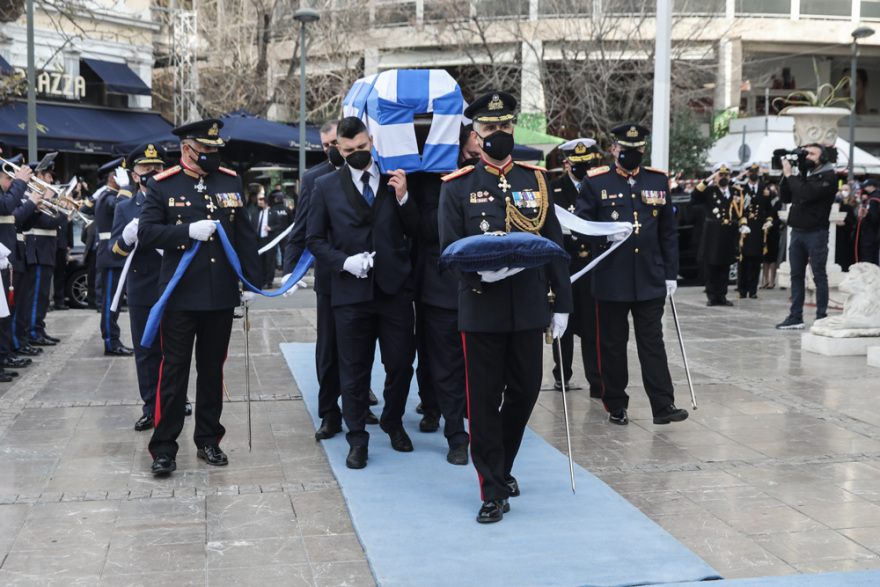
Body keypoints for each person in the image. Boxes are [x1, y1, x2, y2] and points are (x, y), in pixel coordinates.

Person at [439, 91, 572, 523]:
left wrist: (562, 304)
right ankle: (492, 488)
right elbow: (448, 252)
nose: (499, 134)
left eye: (505, 126)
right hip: (481, 308)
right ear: (474, 135)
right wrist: (479, 277)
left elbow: (555, 246)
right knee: (482, 401)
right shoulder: (457, 187)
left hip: (530, 306)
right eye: (490, 128)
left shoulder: (536, 179)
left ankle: (503, 465)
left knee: (526, 390)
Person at [138, 118, 261, 476]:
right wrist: (185, 231)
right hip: (179, 297)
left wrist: (250, 283)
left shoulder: (229, 180)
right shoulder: (162, 185)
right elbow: (146, 234)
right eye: (204, 149)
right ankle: (164, 448)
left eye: (214, 150)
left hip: (220, 295)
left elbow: (244, 236)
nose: (210, 155)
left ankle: (209, 440)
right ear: (185, 149)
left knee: (211, 372)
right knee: (173, 374)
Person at [306, 116, 418, 471]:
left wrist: (403, 200)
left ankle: (393, 420)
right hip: (350, 293)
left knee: (400, 363)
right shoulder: (324, 186)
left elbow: (416, 230)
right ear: (338, 148)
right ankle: (357, 438)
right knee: (353, 370)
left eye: (363, 148)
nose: (357, 155)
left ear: (372, 141)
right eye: (349, 150)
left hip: (393, 290)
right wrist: (343, 262)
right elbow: (314, 239)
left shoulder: (393, 181)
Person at [575, 123, 687, 428]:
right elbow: (581, 228)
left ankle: (663, 404)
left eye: (637, 150)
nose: (632, 155)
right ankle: (615, 404)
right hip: (611, 276)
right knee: (612, 344)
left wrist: (670, 274)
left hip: (649, 277)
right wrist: (605, 235)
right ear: (614, 149)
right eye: (626, 150)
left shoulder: (658, 180)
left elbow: (668, 232)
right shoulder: (596, 181)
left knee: (653, 342)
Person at [283, 119, 380, 440]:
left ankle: (361, 402)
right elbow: (301, 231)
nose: (333, 150)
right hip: (330, 278)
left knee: (362, 344)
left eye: (332, 143)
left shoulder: (373, 172)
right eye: (327, 146)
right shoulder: (315, 179)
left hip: (367, 275)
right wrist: (290, 270)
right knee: (328, 349)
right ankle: (329, 412)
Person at [108, 143, 175, 431]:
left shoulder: (174, 201)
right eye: (146, 170)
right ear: (134, 175)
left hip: (172, 285)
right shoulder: (124, 207)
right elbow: (113, 252)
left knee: (173, 349)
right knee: (145, 349)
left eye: (157, 169)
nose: (152, 173)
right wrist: (127, 239)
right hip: (141, 287)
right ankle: (150, 405)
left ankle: (175, 400)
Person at [550, 138, 603, 397]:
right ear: (567, 163)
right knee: (564, 326)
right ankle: (562, 374)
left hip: (591, 265)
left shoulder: (596, 186)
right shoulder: (554, 188)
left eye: (586, 163)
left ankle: (596, 379)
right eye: (577, 164)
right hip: (566, 264)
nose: (582, 168)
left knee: (592, 327)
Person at [775, 144, 838, 330]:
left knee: (819, 275)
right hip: (797, 231)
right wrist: (786, 175)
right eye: (807, 153)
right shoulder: (804, 174)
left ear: (823, 158)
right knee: (796, 275)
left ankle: (821, 317)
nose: (808, 157)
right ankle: (795, 316)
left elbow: (807, 193)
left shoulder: (829, 177)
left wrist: (790, 175)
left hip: (816, 232)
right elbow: (786, 197)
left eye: (812, 154)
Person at [17, 162, 64, 348]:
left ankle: (39, 328)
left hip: (46, 250)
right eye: (49, 176)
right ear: (40, 176)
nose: (51, 180)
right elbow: (47, 222)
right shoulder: (31, 195)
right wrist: (56, 207)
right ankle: (33, 331)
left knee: (42, 295)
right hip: (37, 249)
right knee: (35, 295)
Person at [691, 162, 746, 306]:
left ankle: (722, 295)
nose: (724, 177)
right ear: (715, 176)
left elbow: (741, 211)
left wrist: (743, 225)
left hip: (728, 233)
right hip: (712, 233)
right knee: (711, 266)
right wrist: (708, 180)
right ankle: (712, 295)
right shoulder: (710, 191)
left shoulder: (735, 192)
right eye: (720, 175)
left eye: (726, 175)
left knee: (725, 265)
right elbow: (695, 195)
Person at [0, 150, 33, 377]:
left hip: (6, 257)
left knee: (6, 312)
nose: (11, 182)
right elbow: (7, 208)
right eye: (8, 178)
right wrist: (21, 183)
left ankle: (3, 355)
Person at [736, 162, 774, 299]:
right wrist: (741, 224)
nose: (753, 174)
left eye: (755, 172)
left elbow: (769, 209)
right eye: (750, 172)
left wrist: (769, 221)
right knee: (743, 260)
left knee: (755, 260)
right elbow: (737, 209)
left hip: (758, 228)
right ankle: (742, 289)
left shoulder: (764, 189)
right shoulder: (741, 189)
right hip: (745, 228)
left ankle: (753, 290)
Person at [762, 182, 783, 287]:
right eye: (770, 190)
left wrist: (772, 225)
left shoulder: (780, 202)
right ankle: (765, 280)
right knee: (765, 258)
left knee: (772, 258)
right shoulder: (766, 201)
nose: (772, 192)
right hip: (765, 231)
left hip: (774, 231)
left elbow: (780, 218)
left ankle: (772, 281)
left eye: (774, 190)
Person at [855, 179, 880, 265]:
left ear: (872, 186)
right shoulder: (874, 198)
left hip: (870, 233)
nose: (865, 189)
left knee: (867, 258)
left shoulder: (873, 199)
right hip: (873, 233)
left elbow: (874, 217)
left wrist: (866, 214)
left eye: (866, 187)